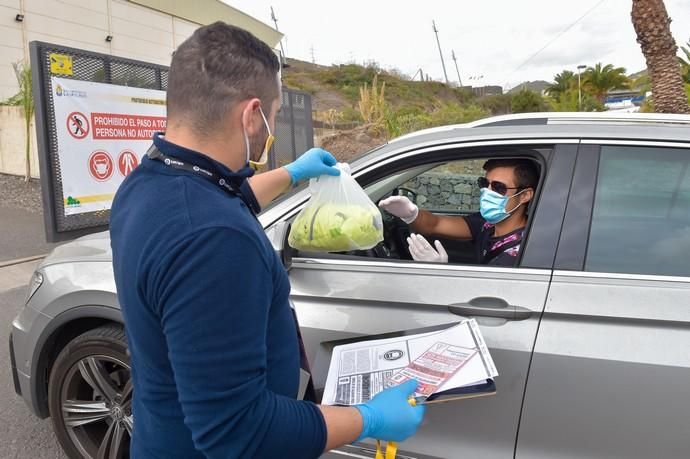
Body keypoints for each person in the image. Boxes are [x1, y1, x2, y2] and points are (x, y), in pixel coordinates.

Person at [110, 22, 424, 459]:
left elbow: (218, 200)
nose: (270, 128)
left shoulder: (149, 182)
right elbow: (239, 432)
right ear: (251, 115)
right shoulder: (214, 240)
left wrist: (293, 173)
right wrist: (368, 418)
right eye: (274, 115)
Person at [379, 158, 538, 266]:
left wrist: (440, 273)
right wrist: (411, 214)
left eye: (498, 187)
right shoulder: (487, 224)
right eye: (484, 183)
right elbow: (436, 224)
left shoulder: (520, 252)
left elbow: (487, 299)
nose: (487, 192)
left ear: (524, 195)